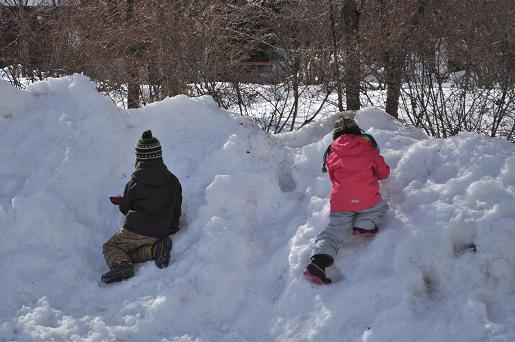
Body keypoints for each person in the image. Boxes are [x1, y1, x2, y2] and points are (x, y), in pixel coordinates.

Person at [303, 116, 390, 285]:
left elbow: (333, 178)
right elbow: (383, 173)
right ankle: (365, 225)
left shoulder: (332, 153)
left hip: (341, 202)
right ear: (357, 131)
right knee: (378, 207)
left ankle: (318, 263)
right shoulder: (368, 149)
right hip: (367, 198)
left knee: (333, 231)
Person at [101, 130, 182, 284]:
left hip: (135, 230)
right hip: (161, 231)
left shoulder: (134, 183)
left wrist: (124, 202)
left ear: (139, 158)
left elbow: (125, 209)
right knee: (129, 252)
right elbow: (176, 206)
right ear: (160, 156)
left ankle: (122, 265)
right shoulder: (173, 181)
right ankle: (154, 250)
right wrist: (172, 226)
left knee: (111, 247)